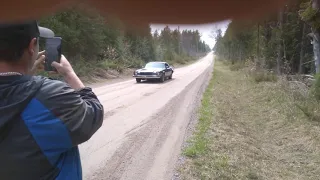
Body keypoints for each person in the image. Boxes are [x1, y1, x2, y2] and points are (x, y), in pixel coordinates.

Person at [0, 21, 104, 179]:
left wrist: (25, 76)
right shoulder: (52, 97)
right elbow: (93, 114)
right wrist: (70, 74)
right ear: (32, 46)